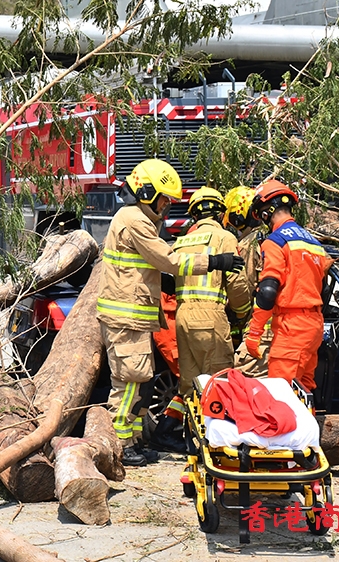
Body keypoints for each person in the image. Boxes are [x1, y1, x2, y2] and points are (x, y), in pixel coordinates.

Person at [97, 159, 244, 467]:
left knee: (142, 381)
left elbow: (149, 266)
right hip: (127, 317)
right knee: (130, 381)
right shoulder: (133, 219)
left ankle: (135, 440)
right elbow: (169, 260)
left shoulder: (137, 218)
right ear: (146, 192)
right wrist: (214, 262)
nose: (166, 206)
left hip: (134, 316)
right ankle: (120, 445)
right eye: (164, 199)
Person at [151, 187, 252, 452]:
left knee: (190, 383)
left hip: (182, 317)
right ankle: (219, 444)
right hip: (211, 317)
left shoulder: (181, 241)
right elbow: (236, 282)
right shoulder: (225, 238)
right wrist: (242, 312)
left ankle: (180, 436)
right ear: (219, 213)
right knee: (219, 380)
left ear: (194, 215)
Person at [244, 180, 332, 392]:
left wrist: (254, 332)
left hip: (291, 328)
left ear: (266, 212)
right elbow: (324, 288)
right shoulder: (314, 243)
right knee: (304, 389)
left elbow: (268, 291)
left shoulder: (275, 241)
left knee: (281, 392)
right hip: (314, 325)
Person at [224, 186, 273, 377]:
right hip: (286, 330)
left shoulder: (249, 245)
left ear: (237, 218)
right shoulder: (274, 238)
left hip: (261, 331)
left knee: (242, 382)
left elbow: (245, 288)